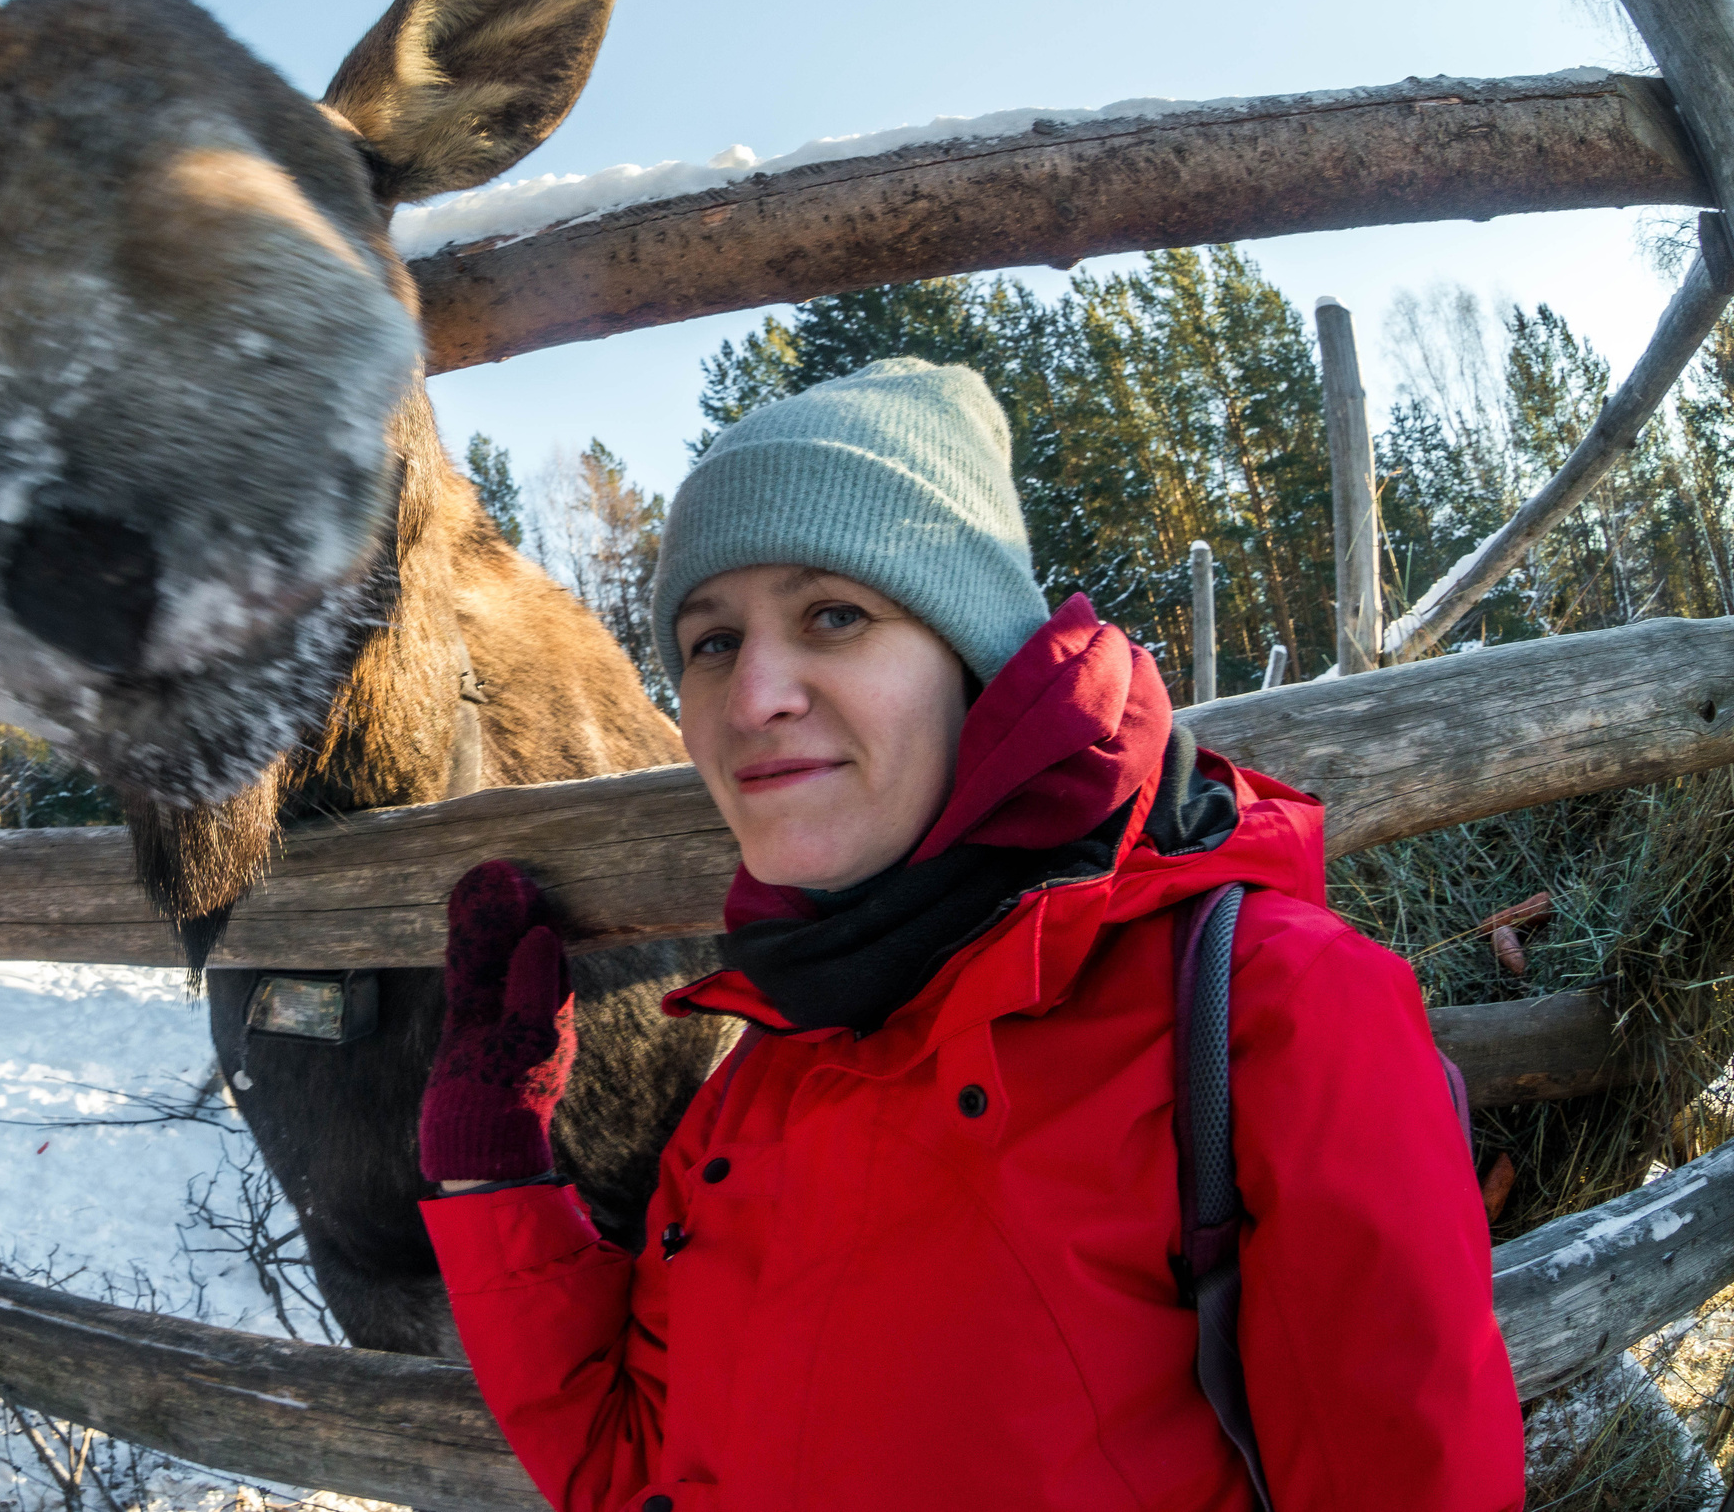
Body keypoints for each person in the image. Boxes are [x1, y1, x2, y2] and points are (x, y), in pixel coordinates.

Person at [416, 361, 1524, 1510]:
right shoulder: (755, 1089)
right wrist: (491, 1174)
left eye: (833, 616)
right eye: (708, 642)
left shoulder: (1271, 1010)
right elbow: (638, 1475)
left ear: (978, 659)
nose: (751, 698)